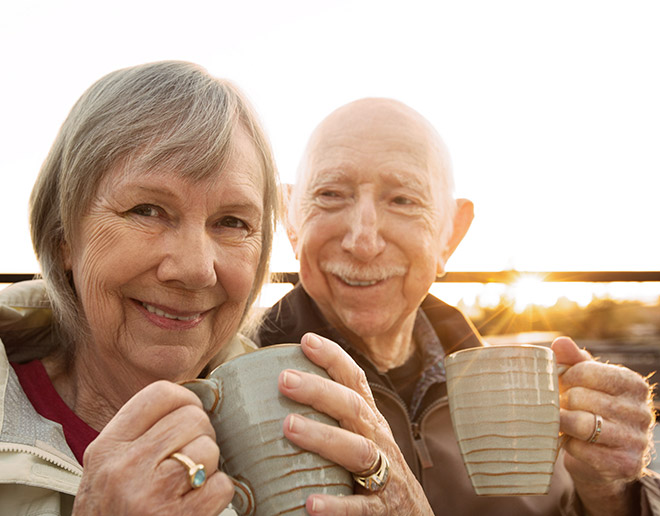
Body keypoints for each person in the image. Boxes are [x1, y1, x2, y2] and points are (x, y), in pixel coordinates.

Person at [0, 62, 435, 515]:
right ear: (63, 237)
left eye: (231, 222)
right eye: (148, 210)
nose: (195, 269)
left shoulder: (295, 433)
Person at [256, 97, 660, 515]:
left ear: (451, 234)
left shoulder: (519, 394)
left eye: (402, 200)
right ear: (291, 221)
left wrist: (612, 494)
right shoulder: (229, 387)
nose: (364, 240)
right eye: (330, 194)